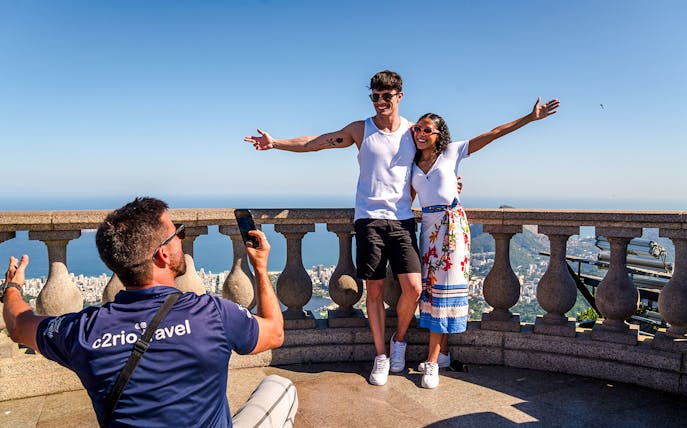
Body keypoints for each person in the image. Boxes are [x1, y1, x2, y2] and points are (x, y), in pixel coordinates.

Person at [1, 197, 295, 427]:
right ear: (163, 254)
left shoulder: (82, 332)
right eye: (178, 232)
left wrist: (12, 287)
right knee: (281, 388)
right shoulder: (211, 314)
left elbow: (19, 324)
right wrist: (259, 267)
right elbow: (274, 332)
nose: (181, 237)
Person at [244, 70, 421, 386]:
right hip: (369, 220)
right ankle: (381, 355)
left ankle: (400, 342)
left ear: (400, 96)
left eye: (386, 96)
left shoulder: (413, 131)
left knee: (414, 288)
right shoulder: (360, 130)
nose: (380, 101)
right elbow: (315, 143)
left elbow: (438, 159)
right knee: (375, 290)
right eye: (375, 96)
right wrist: (276, 143)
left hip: (403, 221)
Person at [411, 98, 560, 389]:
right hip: (428, 229)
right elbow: (405, 197)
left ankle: (431, 362)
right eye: (417, 128)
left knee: (443, 294)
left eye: (426, 130)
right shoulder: (413, 163)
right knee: (431, 295)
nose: (420, 133)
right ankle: (442, 355)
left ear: (439, 134)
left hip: (451, 229)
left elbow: (492, 133)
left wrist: (529, 118)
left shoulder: (452, 153)